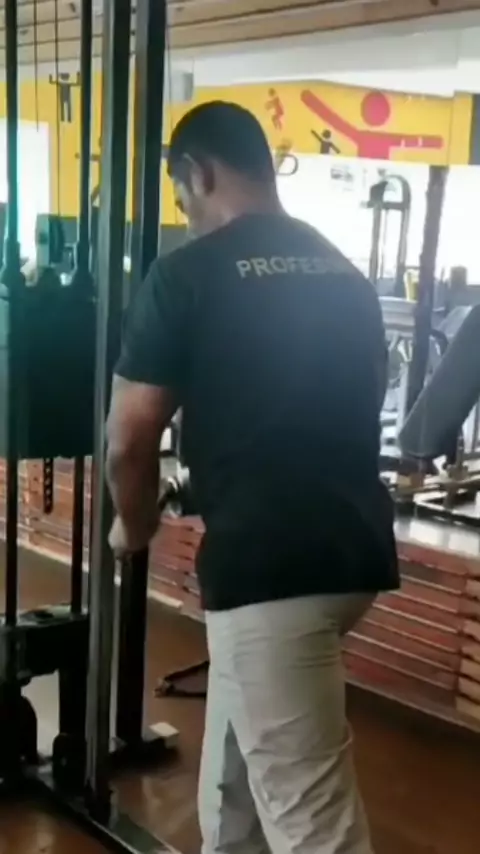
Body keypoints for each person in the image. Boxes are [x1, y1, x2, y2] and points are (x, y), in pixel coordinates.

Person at [106, 101, 398, 854]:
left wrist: (132, 523)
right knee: (234, 782)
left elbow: (130, 438)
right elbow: (367, 393)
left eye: (182, 196)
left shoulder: (187, 275)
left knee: (312, 822)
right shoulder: (343, 271)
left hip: (269, 571)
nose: (187, 213)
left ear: (197, 173)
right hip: (354, 553)